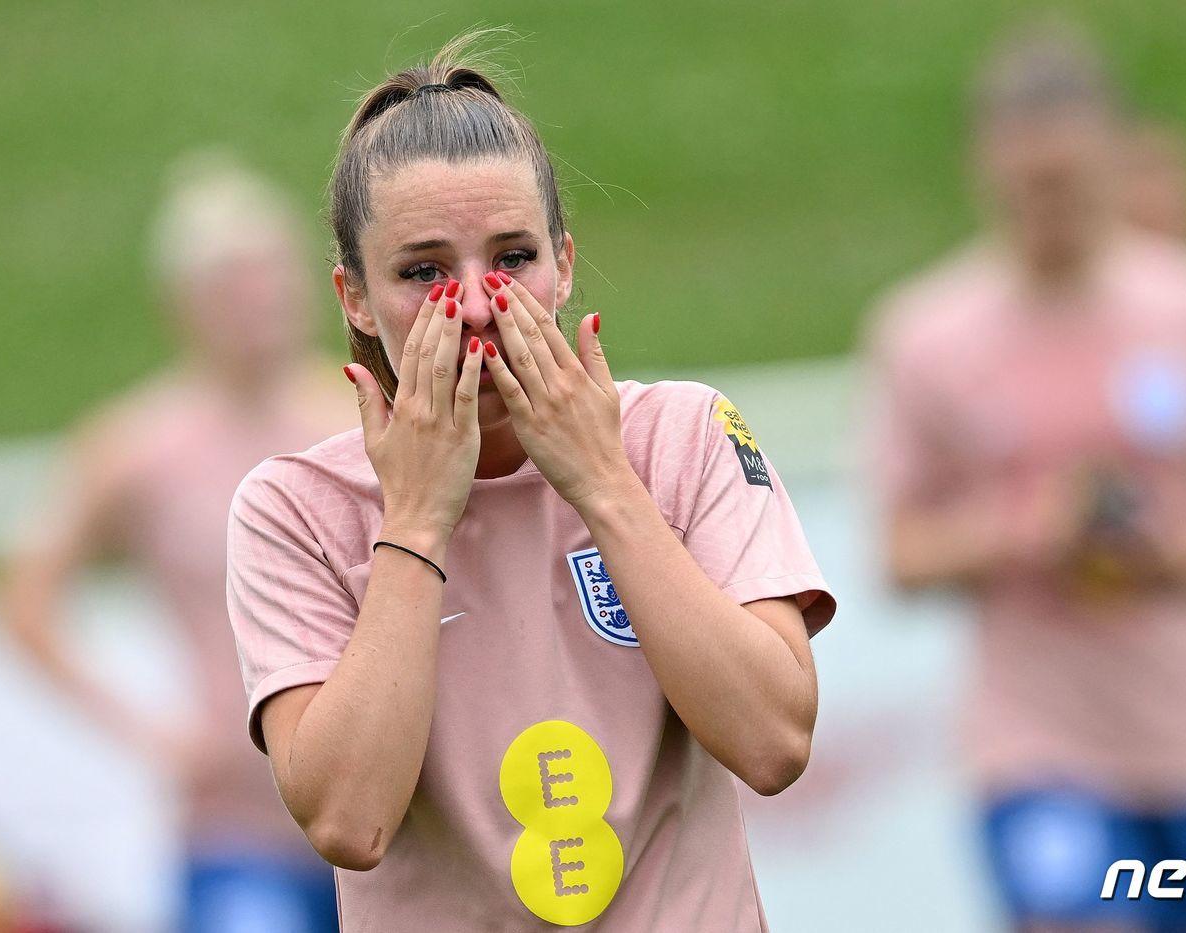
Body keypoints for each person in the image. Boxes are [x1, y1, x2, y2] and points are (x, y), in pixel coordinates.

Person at [223, 33, 835, 932]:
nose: (475, 305)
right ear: (353, 297)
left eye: (511, 258)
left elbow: (774, 743)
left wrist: (602, 484)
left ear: (566, 264)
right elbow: (350, 821)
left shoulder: (685, 436)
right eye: (422, 271)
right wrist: (418, 523)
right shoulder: (293, 510)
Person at [865, 23, 1186, 931]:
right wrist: (1030, 529)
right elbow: (900, 550)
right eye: (1032, 180)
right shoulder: (926, 334)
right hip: (1043, 740)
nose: (1053, 202)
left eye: (1072, 176)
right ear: (986, 165)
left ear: (1114, 158)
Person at [0, 154, 352, 932]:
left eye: (269, 273)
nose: (257, 300)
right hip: (235, 821)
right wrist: (148, 731)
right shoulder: (141, 449)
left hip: (381, 808)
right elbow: (28, 595)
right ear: (184, 304)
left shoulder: (357, 421)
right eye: (232, 283)